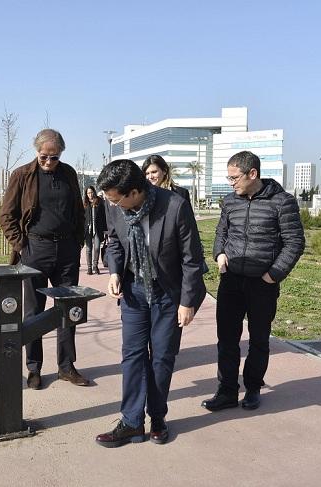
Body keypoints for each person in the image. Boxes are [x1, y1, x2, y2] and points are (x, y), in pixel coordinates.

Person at [93, 159, 206, 448]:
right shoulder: (114, 204)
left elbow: (192, 258)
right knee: (132, 355)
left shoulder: (174, 206)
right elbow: (115, 242)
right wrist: (115, 271)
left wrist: (187, 301)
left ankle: (157, 418)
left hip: (167, 292)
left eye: (116, 199)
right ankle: (131, 422)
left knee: (162, 357)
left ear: (134, 192)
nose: (113, 205)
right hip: (133, 290)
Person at [202, 151, 305, 412]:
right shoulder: (229, 202)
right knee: (226, 339)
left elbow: (294, 242)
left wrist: (274, 274)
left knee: (259, 339)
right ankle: (226, 390)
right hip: (231, 280)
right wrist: (220, 254)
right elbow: (221, 232)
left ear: (252, 174)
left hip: (263, 284)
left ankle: (253, 388)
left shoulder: (282, 202)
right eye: (229, 177)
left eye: (234, 177)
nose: (231, 183)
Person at [0, 128, 89, 390]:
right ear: (36, 151)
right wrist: (22, 245)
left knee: (69, 310)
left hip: (67, 252)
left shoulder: (69, 173)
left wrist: (78, 241)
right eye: (44, 157)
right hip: (35, 251)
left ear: (61, 153)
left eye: (54, 157)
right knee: (33, 311)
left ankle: (66, 367)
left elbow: (78, 210)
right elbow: (7, 216)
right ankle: (34, 368)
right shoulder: (22, 175)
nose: (49, 162)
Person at [83, 186, 107, 275]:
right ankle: (89, 267)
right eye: (88, 193)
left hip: (97, 229)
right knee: (88, 249)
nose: (90, 194)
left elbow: (103, 216)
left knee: (97, 248)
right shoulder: (85, 203)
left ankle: (95, 265)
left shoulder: (100, 202)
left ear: (94, 192)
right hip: (88, 230)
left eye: (91, 192)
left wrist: (105, 229)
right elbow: (82, 218)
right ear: (86, 194)